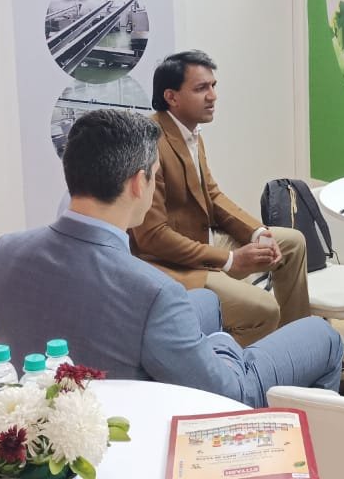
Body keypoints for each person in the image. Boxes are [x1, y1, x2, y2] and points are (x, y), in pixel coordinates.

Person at [0, 109, 343, 408]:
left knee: (207, 301)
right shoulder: (152, 291)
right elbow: (232, 394)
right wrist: (221, 346)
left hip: (53, 407)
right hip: (133, 421)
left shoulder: (4, 251)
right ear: (138, 184)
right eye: (154, 177)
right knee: (322, 335)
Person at [131, 50, 311, 346]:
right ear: (171, 97)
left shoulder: (191, 133)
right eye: (201, 88)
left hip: (201, 242)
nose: (213, 96)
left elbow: (212, 197)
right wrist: (228, 259)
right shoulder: (150, 143)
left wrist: (258, 233)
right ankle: (241, 368)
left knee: (291, 243)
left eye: (213, 86)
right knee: (264, 309)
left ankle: (298, 345)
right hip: (169, 264)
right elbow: (152, 237)